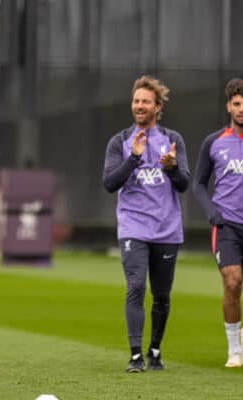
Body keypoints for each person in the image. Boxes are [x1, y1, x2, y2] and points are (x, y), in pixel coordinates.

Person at [103, 76, 190, 372]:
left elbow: (184, 184)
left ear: (157, 107)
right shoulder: (119, 142)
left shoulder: (173, 139)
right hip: (133, 228)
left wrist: (172, 167)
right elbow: (109, 183)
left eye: (145, 102)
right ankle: (136, 355)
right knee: (137, 285)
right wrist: (134, 159)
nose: (139, 106)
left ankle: (155, 350)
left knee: (162, 294)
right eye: (136, 101)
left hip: (167, 229)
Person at [193, 78, 243, 368]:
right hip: (226, 227)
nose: (241, 109)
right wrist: (212, 213)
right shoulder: (213, 142)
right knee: (232, 281)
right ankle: (234, 350)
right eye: (236, 104)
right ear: (228, 106)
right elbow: (198, 183)